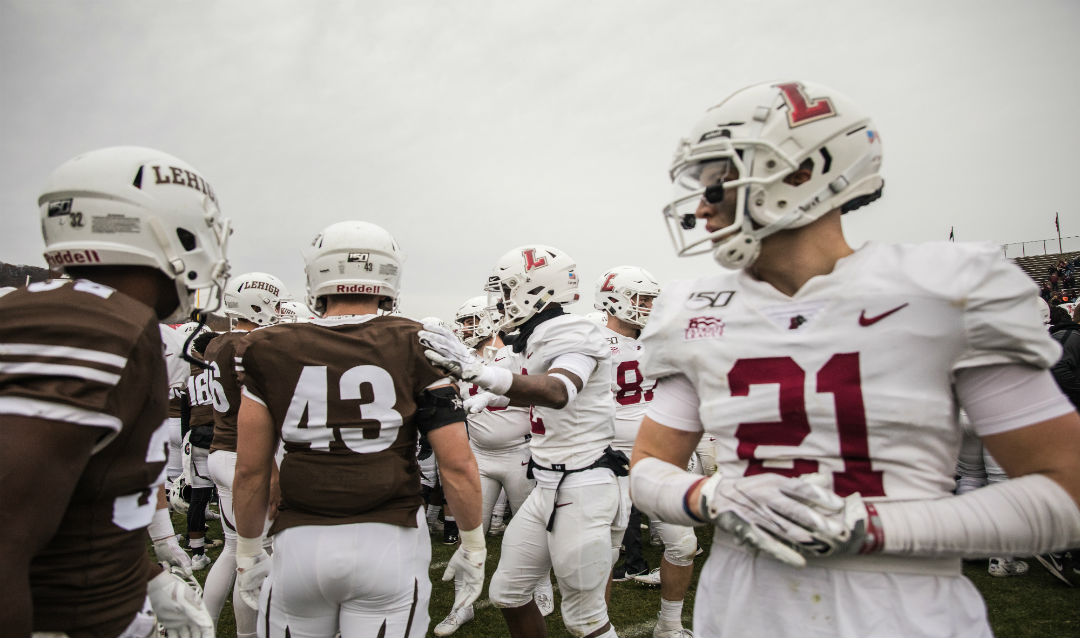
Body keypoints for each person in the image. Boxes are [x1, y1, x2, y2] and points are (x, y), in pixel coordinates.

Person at [628, 81, 1080, 637]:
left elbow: (1065, 491)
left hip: (905, 611)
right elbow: (648, 464)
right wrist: (709, 494)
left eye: (717, 182)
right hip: (741, 606)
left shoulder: (945, 292)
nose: (700, 208)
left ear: (801, 171)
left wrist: (870, 525)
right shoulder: (694, 308)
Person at [0, 146, 227, 637]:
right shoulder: (90, 324)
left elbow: (74, 496)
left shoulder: (112, 317)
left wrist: (142, 576)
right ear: (162, 229)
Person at [231, 220, 485, 638]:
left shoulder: (267, 346)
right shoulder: (418, 341)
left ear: (316, 273)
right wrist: (473, 543)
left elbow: (251, 470)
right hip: (390, 540)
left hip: (299, 543)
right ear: (388, 275)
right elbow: (457, 464)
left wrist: (247, 548)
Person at [420, 244, 622, 638]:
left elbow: (560, 388)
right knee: (509, 594)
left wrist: (479, 373)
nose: (503, 302)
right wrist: (485, 395)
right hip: (548, 482)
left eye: (508, 290)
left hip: (583, 482)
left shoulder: (572, 329)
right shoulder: (537, 333)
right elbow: (522, 384)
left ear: (537, 289)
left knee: (584, 619)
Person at [433, 296, 553, 636]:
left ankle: (540, 587)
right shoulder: (464, 358)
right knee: (471, 533)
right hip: (479, 456)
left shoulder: (517, 354)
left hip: (519, 453)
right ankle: (461, 606)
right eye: (464, 322)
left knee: (533, 531)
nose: (465, 329)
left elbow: (539, 393)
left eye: (472, 321)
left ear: (488, 321)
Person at [594, 266, 696, 638]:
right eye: (643, 299)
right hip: (609, 457)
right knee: (606, 552)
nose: (650, 306)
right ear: (613, 299)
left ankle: (669, 625)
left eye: (652, 299)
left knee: (683, 545)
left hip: (655, 453)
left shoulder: (661, 339)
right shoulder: (592, 341)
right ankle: (598, 627)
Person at [202, 271, 287, 637]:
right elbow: (261, 408)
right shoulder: (249, 347)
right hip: (245, 457)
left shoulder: (216, 343)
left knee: (234, 550)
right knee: (253, 556)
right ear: (260, 302)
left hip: (221, 450)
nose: (281, 311)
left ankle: (202, 625)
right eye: (277, 304)